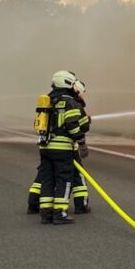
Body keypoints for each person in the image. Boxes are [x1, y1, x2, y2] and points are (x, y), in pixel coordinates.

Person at [34, 71, 91, 224]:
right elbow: (72, 125)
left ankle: (46, 213)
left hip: (45, 148)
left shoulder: (47, 101)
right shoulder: (69, 102)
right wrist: (82, 143)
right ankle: (60, 213)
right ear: (67, 83)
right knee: (64, 180)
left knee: (47, 180)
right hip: (63, 150)